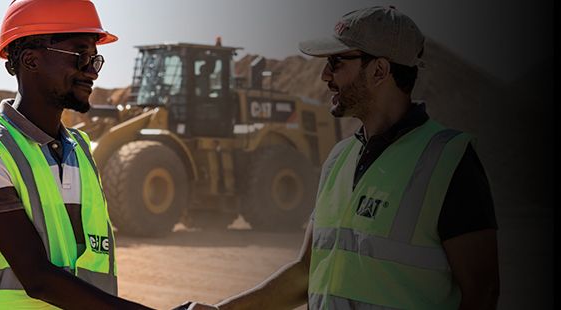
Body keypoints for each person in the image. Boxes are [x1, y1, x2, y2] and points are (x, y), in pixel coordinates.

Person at [183, 6, 500, 310]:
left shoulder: (448, 161)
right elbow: (307, 271)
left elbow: (482, 293)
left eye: (336, 63)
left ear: (379, 70)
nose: (324, 75)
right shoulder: (339, 159)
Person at [0, 0, 150, 309]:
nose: (91, 71)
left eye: (95, 60)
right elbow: (37, 278)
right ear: (31, 60)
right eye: (81, 56)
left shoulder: (80, 150)